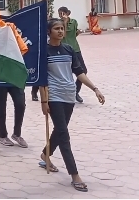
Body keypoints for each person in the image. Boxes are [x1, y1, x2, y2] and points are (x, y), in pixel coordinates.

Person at [40, 18, 106, 192]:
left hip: (69, 96)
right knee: (64, 135)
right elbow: (41, 80)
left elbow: (79, 72)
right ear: (49, 32)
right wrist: (44, 100)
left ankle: (45, 154)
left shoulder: (68, 49)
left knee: (59, 130)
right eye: (56, 29)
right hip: (54, 96)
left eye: (62, 28)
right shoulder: (43, 51)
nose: (61, 31)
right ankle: (75, 175)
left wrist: (95, 89)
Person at [59, 7, 87, 103]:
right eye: (59, 13)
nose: (61, 15)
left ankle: (76, 91)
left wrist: (77, 33)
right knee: (67, 73)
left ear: (67, 13)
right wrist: (64, 22)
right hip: (64, 49)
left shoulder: (74, 22)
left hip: (75, 49)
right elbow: (63, 35)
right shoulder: (59, 23)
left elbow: (73, 35)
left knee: (83, 70)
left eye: (63, 13)